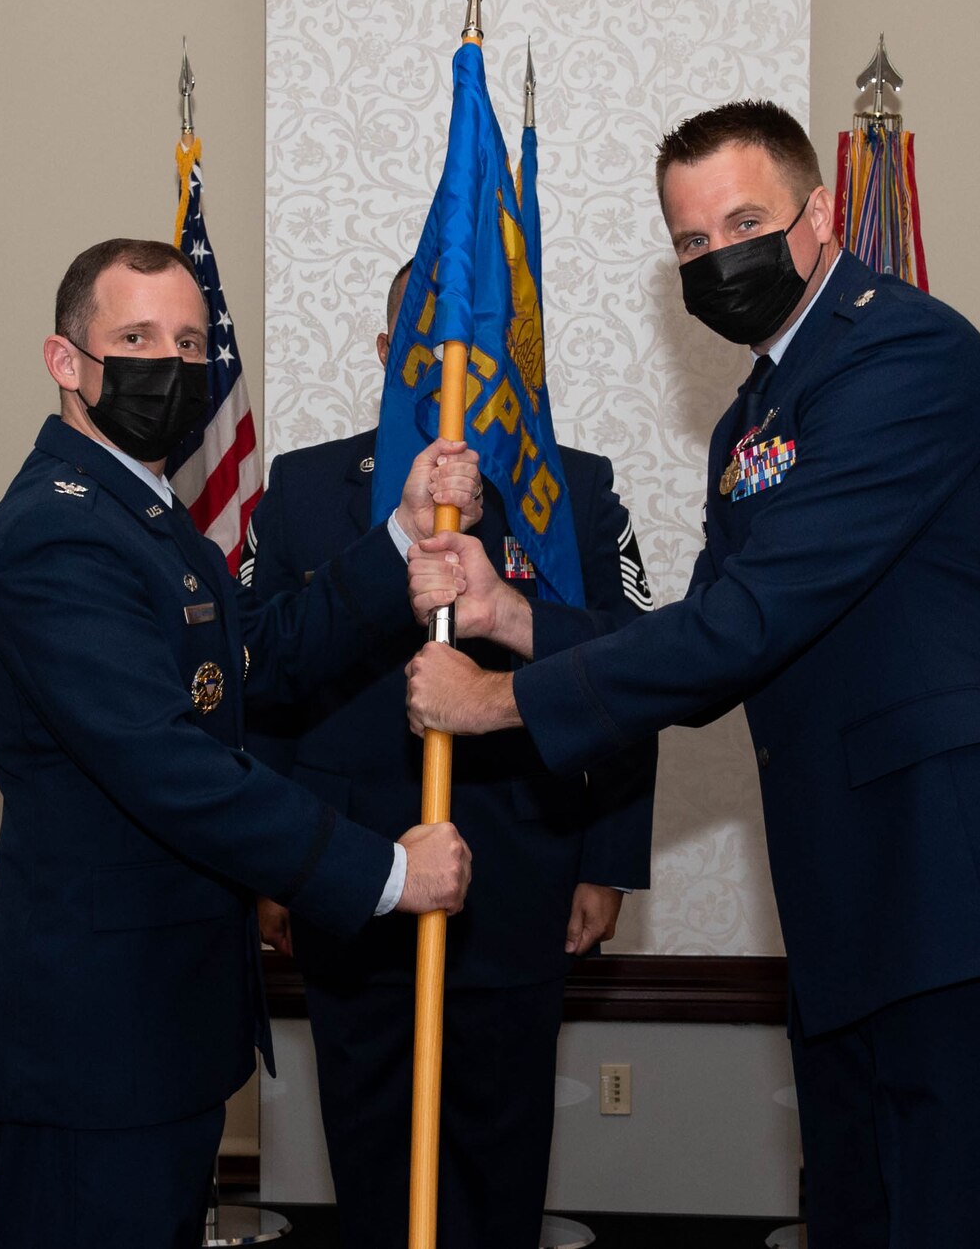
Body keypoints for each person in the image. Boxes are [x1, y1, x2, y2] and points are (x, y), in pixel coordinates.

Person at [405, 102, 980, 1248]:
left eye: (743, 222)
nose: (717, 257)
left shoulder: (903, 355)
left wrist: (496, 701)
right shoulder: (753, 413)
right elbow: (708, 637)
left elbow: (748, 621)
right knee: (852, 1215)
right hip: (851, 905)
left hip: (963, 889)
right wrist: (507, 615)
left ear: (819, 212)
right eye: (690, 243)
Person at [0, 238, 476, 1249]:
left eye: (190, 341)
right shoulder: (57, 537)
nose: (172, 364)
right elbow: (169, 766)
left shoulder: (143, 519)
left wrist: (402, 541)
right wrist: (379, 871)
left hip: (159, 1026)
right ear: (66, 361)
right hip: (94, 1040)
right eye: (136, 337)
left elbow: (249, 663)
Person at [241, 262, 657, 1249]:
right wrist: (269, 864)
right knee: (374, 1146)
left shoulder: (575, 493)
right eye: (425, 351)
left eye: (475, 352)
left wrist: (605, 860)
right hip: (350, 874)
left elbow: (633, 681)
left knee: (498, 1150)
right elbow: (264, 683)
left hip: (523, 872)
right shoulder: (303, 490)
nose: (450, 373)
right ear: (388, 358)